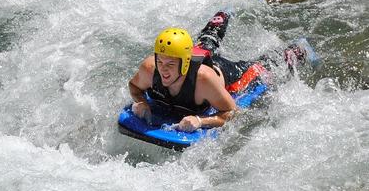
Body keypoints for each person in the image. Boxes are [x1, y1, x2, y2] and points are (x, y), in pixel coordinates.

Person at [128, 10, 310, 132]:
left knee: (258, 68)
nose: (163, 70)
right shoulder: (150, 69)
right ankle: (220, 18)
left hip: (221, 72)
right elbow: (134, 87)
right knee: (206, 44)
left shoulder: (203, 81)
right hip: (191, 57)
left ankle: (296, 50)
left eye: (170, 65)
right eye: (161, 61)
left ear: (184, 64)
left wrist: (201, 121)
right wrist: (141, 102)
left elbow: (233, 111)